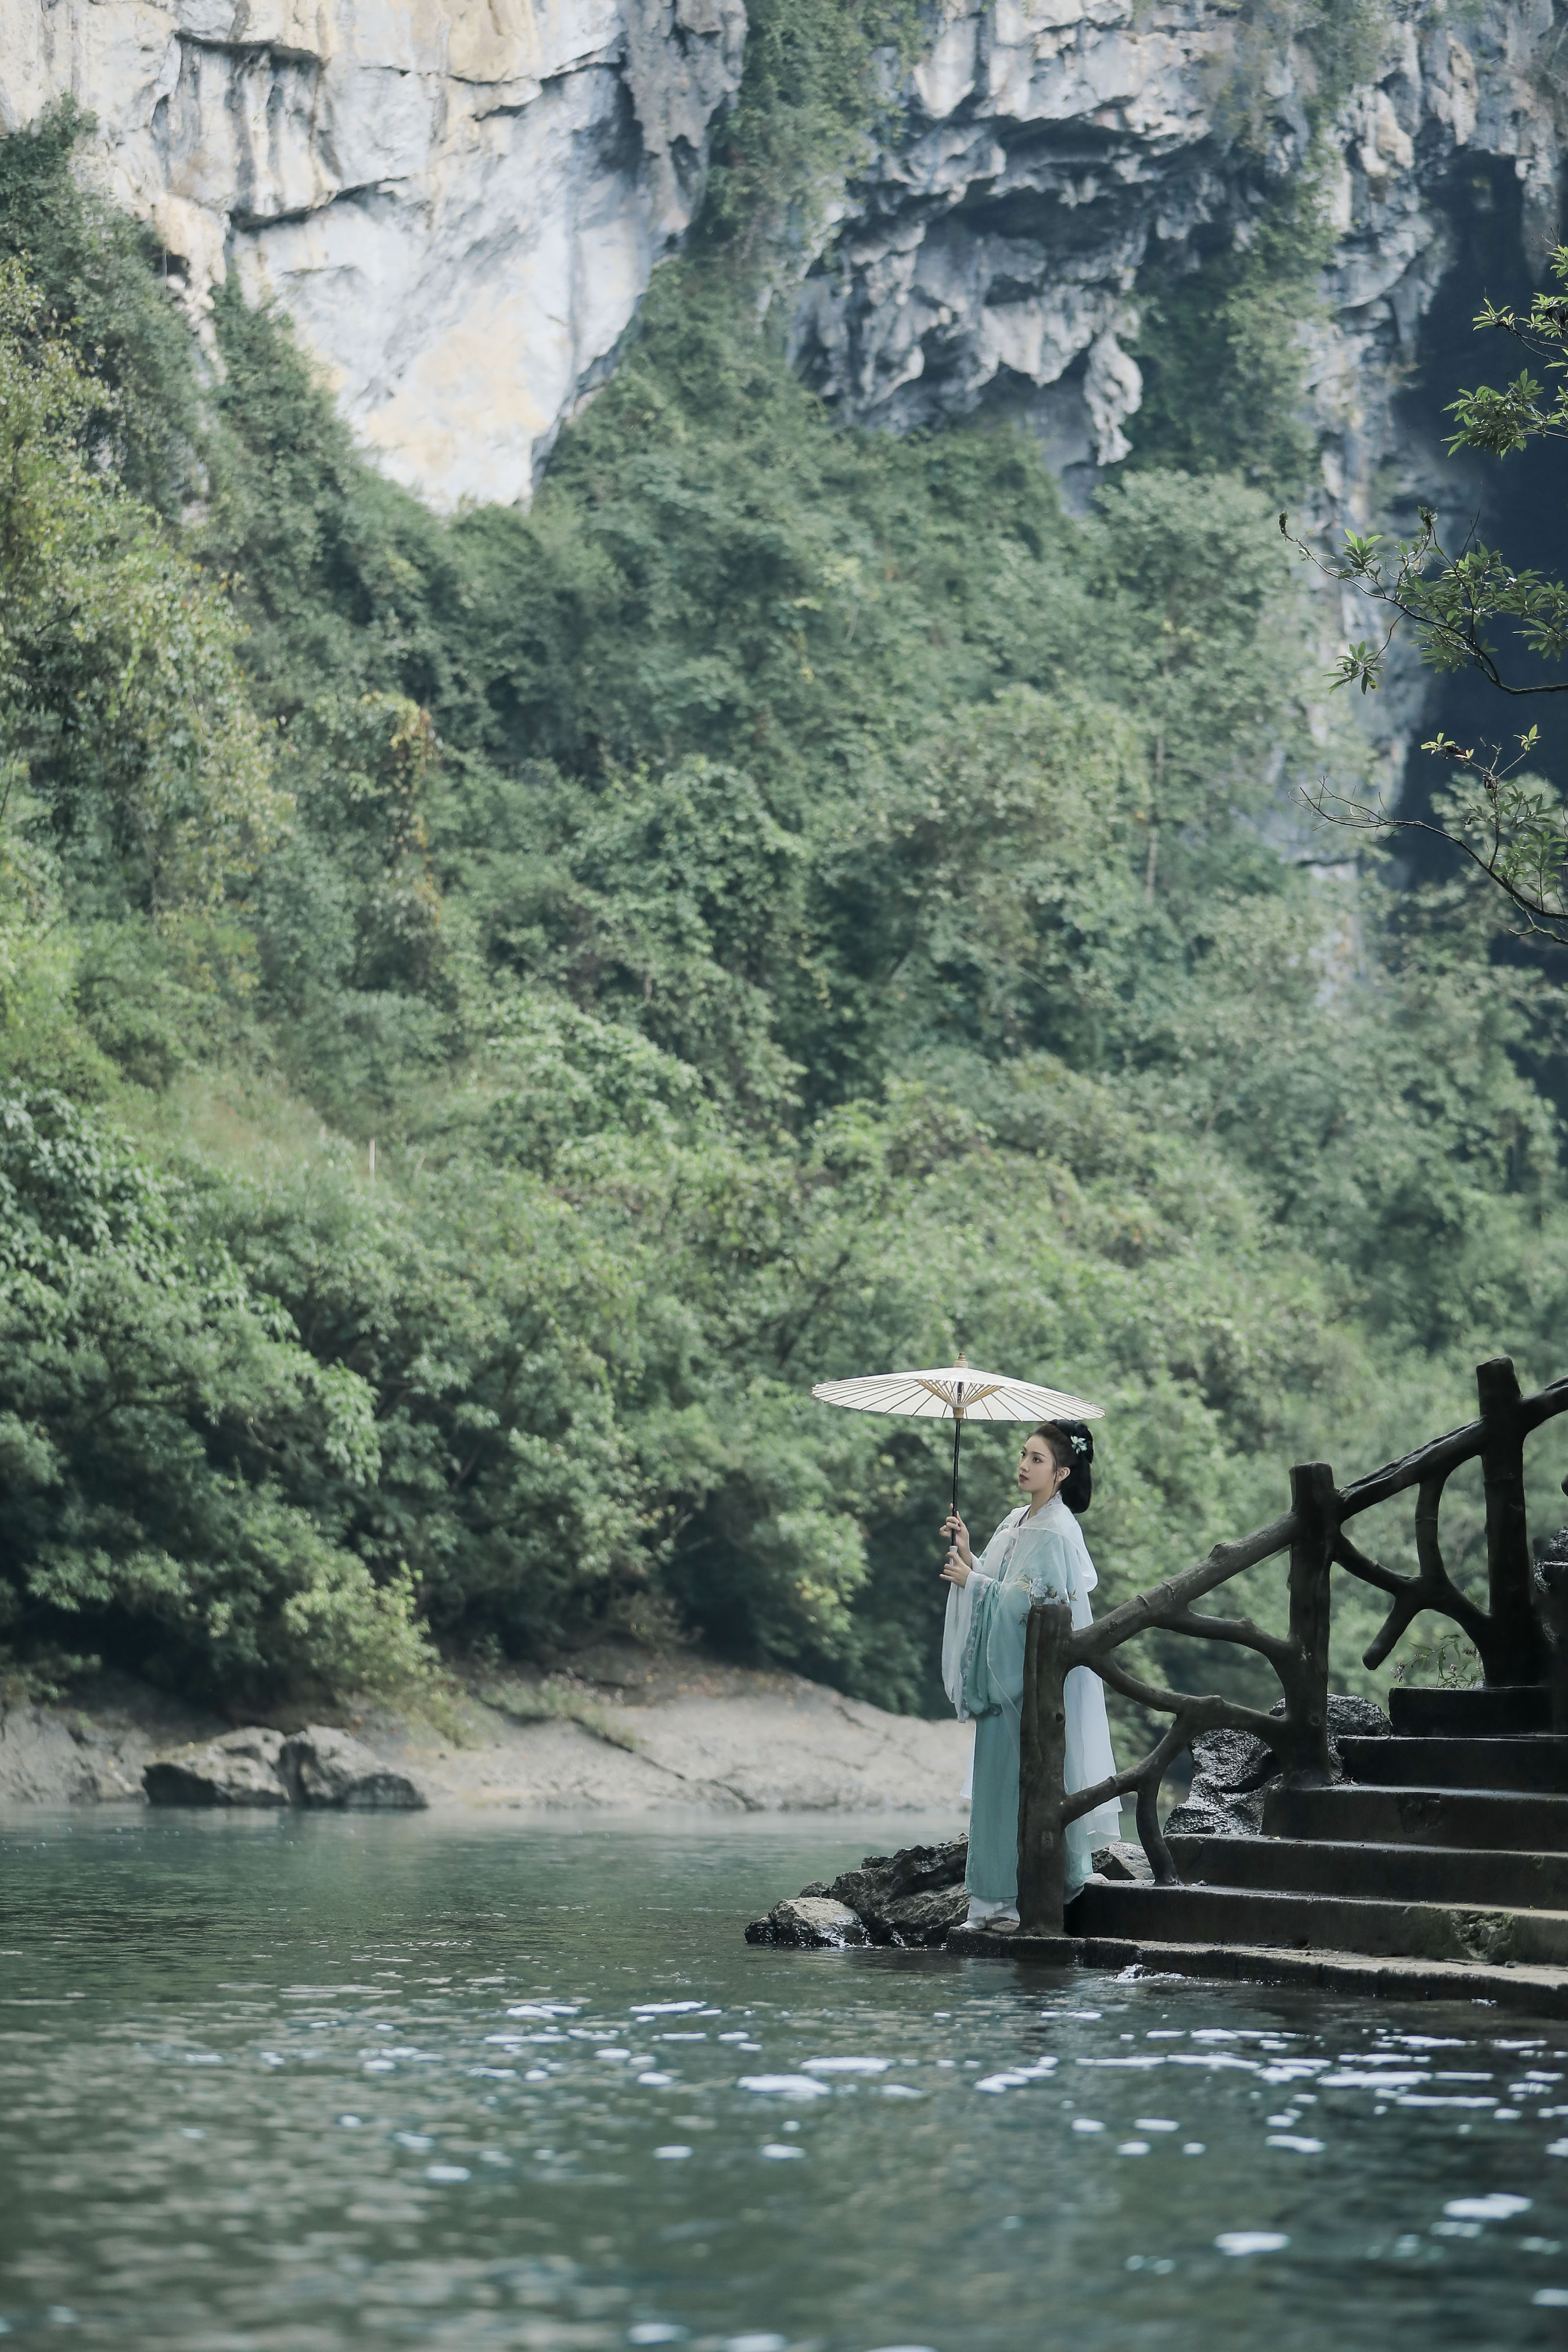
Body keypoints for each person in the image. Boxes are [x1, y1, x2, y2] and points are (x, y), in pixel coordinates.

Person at [938, 1420, 1121, 1930]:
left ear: (1061, 1472)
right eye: (1024, 1455)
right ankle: (995, 1901)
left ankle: (1012, 1899)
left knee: (1026, 1784)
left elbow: (1027, 1602)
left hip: (1029, 1681)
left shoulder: (1057, 1528)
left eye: (1037, 1459)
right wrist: (969, 1553)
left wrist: (972, 1580)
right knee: (999, 1784)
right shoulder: (1019, 1518)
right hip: (1007, 1678)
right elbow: (1000, 1583)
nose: (1023, 1465)